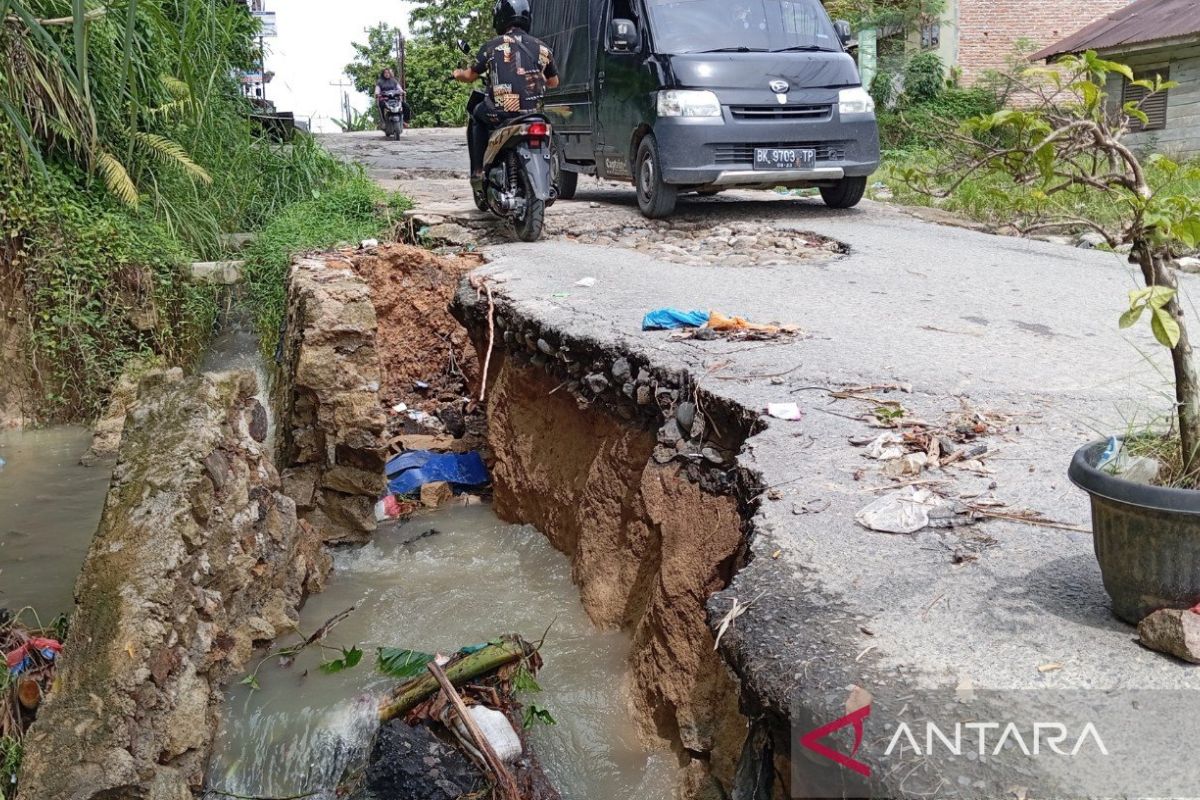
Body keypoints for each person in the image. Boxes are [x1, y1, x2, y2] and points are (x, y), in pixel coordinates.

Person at [452, 0, 560, 179]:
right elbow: (554, 82)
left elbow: (470, 76)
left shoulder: (492, 46)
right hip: (534, 113)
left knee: (477, 114)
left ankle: (478, 170)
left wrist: (457, 74)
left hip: (502, 113)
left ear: (500, 18)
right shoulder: (543, 48)